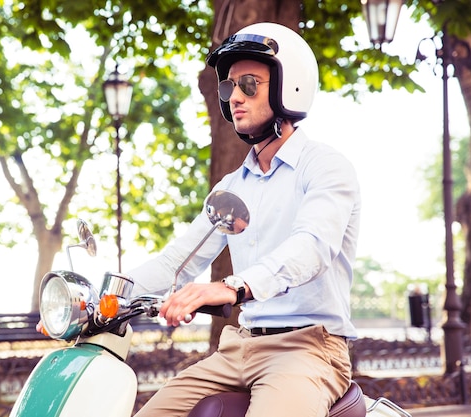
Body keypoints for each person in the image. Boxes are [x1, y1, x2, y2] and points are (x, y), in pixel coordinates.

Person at [127, 22, 361, 417]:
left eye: (248, 84)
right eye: (229, 86)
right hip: (238, 347)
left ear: (290, 86)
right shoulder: (232, 186)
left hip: (307, 350)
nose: (234, 96)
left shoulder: (325, 167)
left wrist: (234, 287)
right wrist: (101, 297)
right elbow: (176, 264)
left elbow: (312, 246)